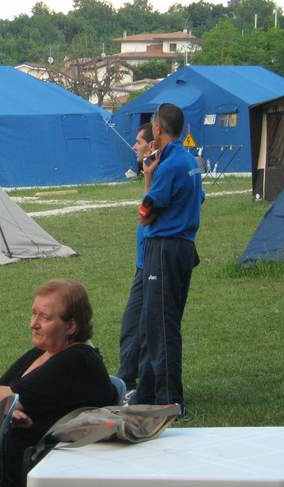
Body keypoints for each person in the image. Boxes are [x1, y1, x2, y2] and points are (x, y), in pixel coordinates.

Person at [0, 280, 116, 487]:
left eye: (44, 317)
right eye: (34, 313)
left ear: (71, 326)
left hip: (8, 473)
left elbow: (0, 400)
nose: (33, 323)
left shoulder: (77, 361)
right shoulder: (42, 351)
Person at [135, 103, 203, 413]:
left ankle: (170, 400)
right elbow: (198, 197)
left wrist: (149, 177)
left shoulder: (170, 165)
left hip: (164, 247)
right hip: (184, 247)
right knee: (154, 321)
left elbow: (146, 212)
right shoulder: (189, 160)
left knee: (161, 324)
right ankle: (147, 393)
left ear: (159, 129)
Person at [115, 123, 155, 394]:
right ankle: (127, 378)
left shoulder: (162, 171)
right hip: (143, 263)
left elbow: (149, 212)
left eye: (139, 142)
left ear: (152, 145)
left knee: (143, 324)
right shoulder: (153, 172)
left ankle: (132, 382)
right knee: (132, 323)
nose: (135, 146)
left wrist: (149, 178)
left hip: (153, 262)